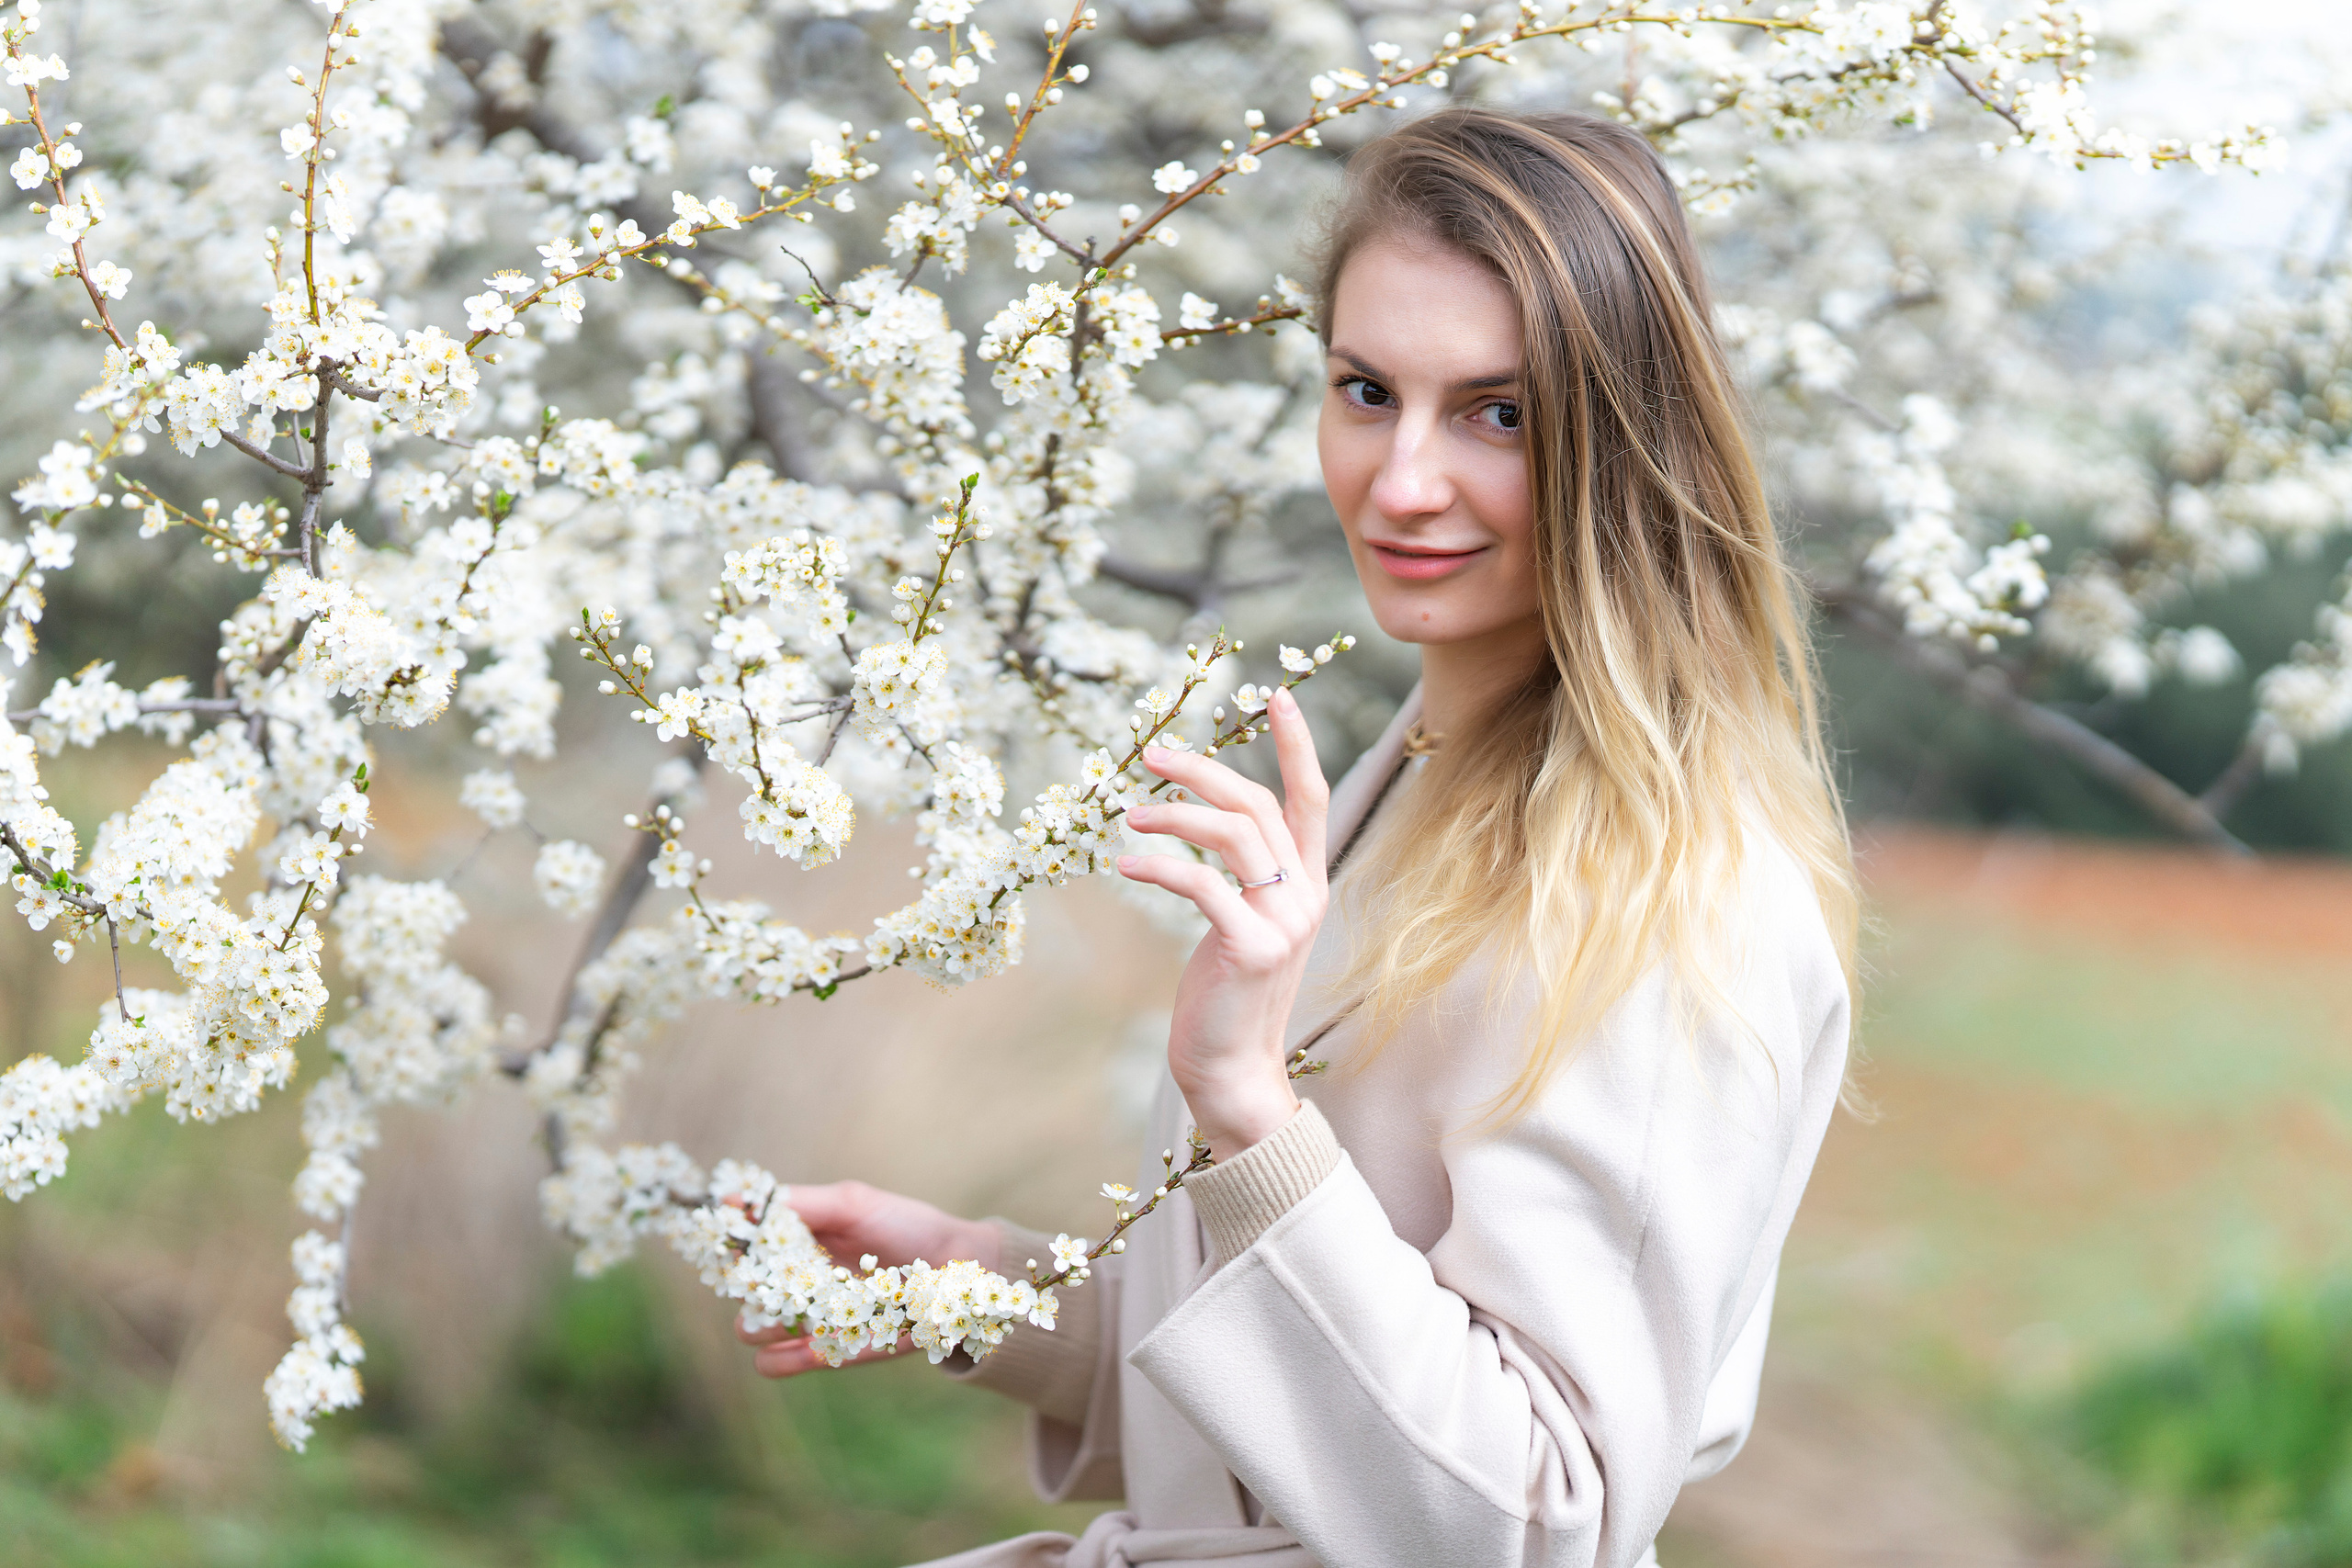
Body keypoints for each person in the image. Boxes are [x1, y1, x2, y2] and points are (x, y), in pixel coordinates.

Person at [739, 106, 1858, 1568]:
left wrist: (1249, 1107)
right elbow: (1303, 1414)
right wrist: (977, 1284)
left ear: (1626, 442)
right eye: (1365, 389)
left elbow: (1528, 1522)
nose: (1399, 483)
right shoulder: (1424, 776)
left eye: (1497, 413)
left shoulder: (1669, 902)